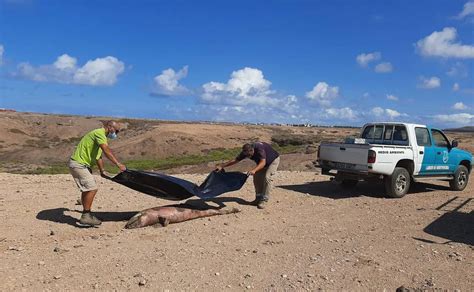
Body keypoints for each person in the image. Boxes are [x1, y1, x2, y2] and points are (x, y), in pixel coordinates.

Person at [68, 120, 126, 226]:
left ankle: (86, 212)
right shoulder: (99, 133)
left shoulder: (100, 137)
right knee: (92, 188)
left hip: (81, 165)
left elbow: (98, 156)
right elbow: (106, 150)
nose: (116, 134)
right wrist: (118, 164)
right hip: (79, 164)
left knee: (87, 189)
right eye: (116, 131)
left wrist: (102, 171)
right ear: (110, 127)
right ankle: (86, 216)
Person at [216, 142, 280, 209]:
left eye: (250, 155)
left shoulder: (259, 149)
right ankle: (258, 198)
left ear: (253, 150)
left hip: (273, 161)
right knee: (257, 178)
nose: (249, 157)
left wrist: (254, 170)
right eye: (247, 156)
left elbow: (263, 162)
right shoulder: (245, 152)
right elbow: (235, 160)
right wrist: (222, 166)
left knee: (267, 178)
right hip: (262, 163)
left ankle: (264, 200)